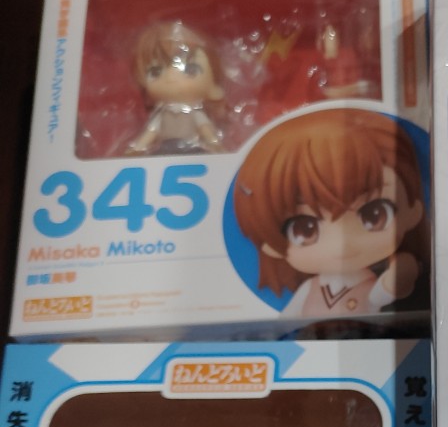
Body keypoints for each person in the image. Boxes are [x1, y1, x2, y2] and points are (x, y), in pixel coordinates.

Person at [234, 108, 426, 319]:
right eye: (305, 230)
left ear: (413, 211)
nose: (342, 244)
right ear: (270, 245)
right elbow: (285, 323)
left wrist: (400, 276)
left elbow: (383, 294)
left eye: (374, 215)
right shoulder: (309, 290)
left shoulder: (369, 286)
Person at [126, 20, 225, 155]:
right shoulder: (161, 115)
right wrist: (137, 148)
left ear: (214, 88)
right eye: (155, 72)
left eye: (191, 70)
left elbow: (205, 129)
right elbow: (151, 132)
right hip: (164, 151)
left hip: (193, 150)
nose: (171, 77)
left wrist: (215, 145)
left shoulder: (195, 113)